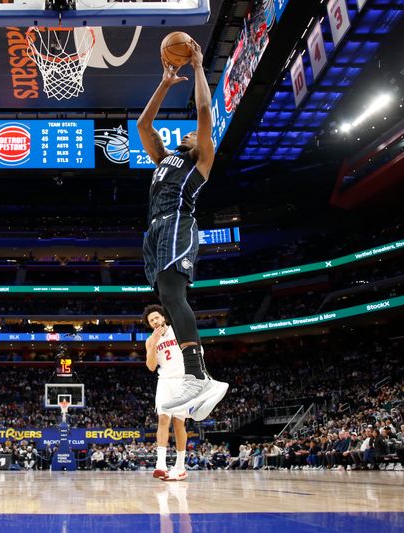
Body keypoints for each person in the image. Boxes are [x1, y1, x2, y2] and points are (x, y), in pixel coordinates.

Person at [137, 41, 227, 413]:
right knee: (168, 301)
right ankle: (200, 379)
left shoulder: (200, 158)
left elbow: (204, 109)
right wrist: (165, 82)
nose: (188, 133)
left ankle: (197, 376)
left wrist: (199, 66)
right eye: (188, 133)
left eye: (193, 133)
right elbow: (144, 124)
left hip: (177, 222)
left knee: (175, 297)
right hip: (154, 231)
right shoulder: (163, 158)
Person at [144, 304, 227, 481]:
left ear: (163, 318)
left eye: (156, 318)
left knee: (178, 423)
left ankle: (180, 467)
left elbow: (197, 350)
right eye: (151, 320)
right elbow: (151, 367)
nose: (154, 321)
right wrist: (152, 345)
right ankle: (160, 464)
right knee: (163, 419)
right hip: (165, 381)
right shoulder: (150, 340)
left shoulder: (179, 330)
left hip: (183, 380)